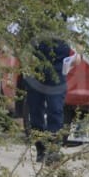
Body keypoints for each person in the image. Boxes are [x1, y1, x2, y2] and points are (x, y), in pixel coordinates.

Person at [18, 28, 75, 164]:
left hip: (58, 63)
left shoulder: (66, 16)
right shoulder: (32, 15)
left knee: (55, 108)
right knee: (35, 109)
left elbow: (78, 35)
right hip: (35, 62)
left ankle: (53, 150)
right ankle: (41, 149)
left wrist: (78, 54)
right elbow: (16, 29)